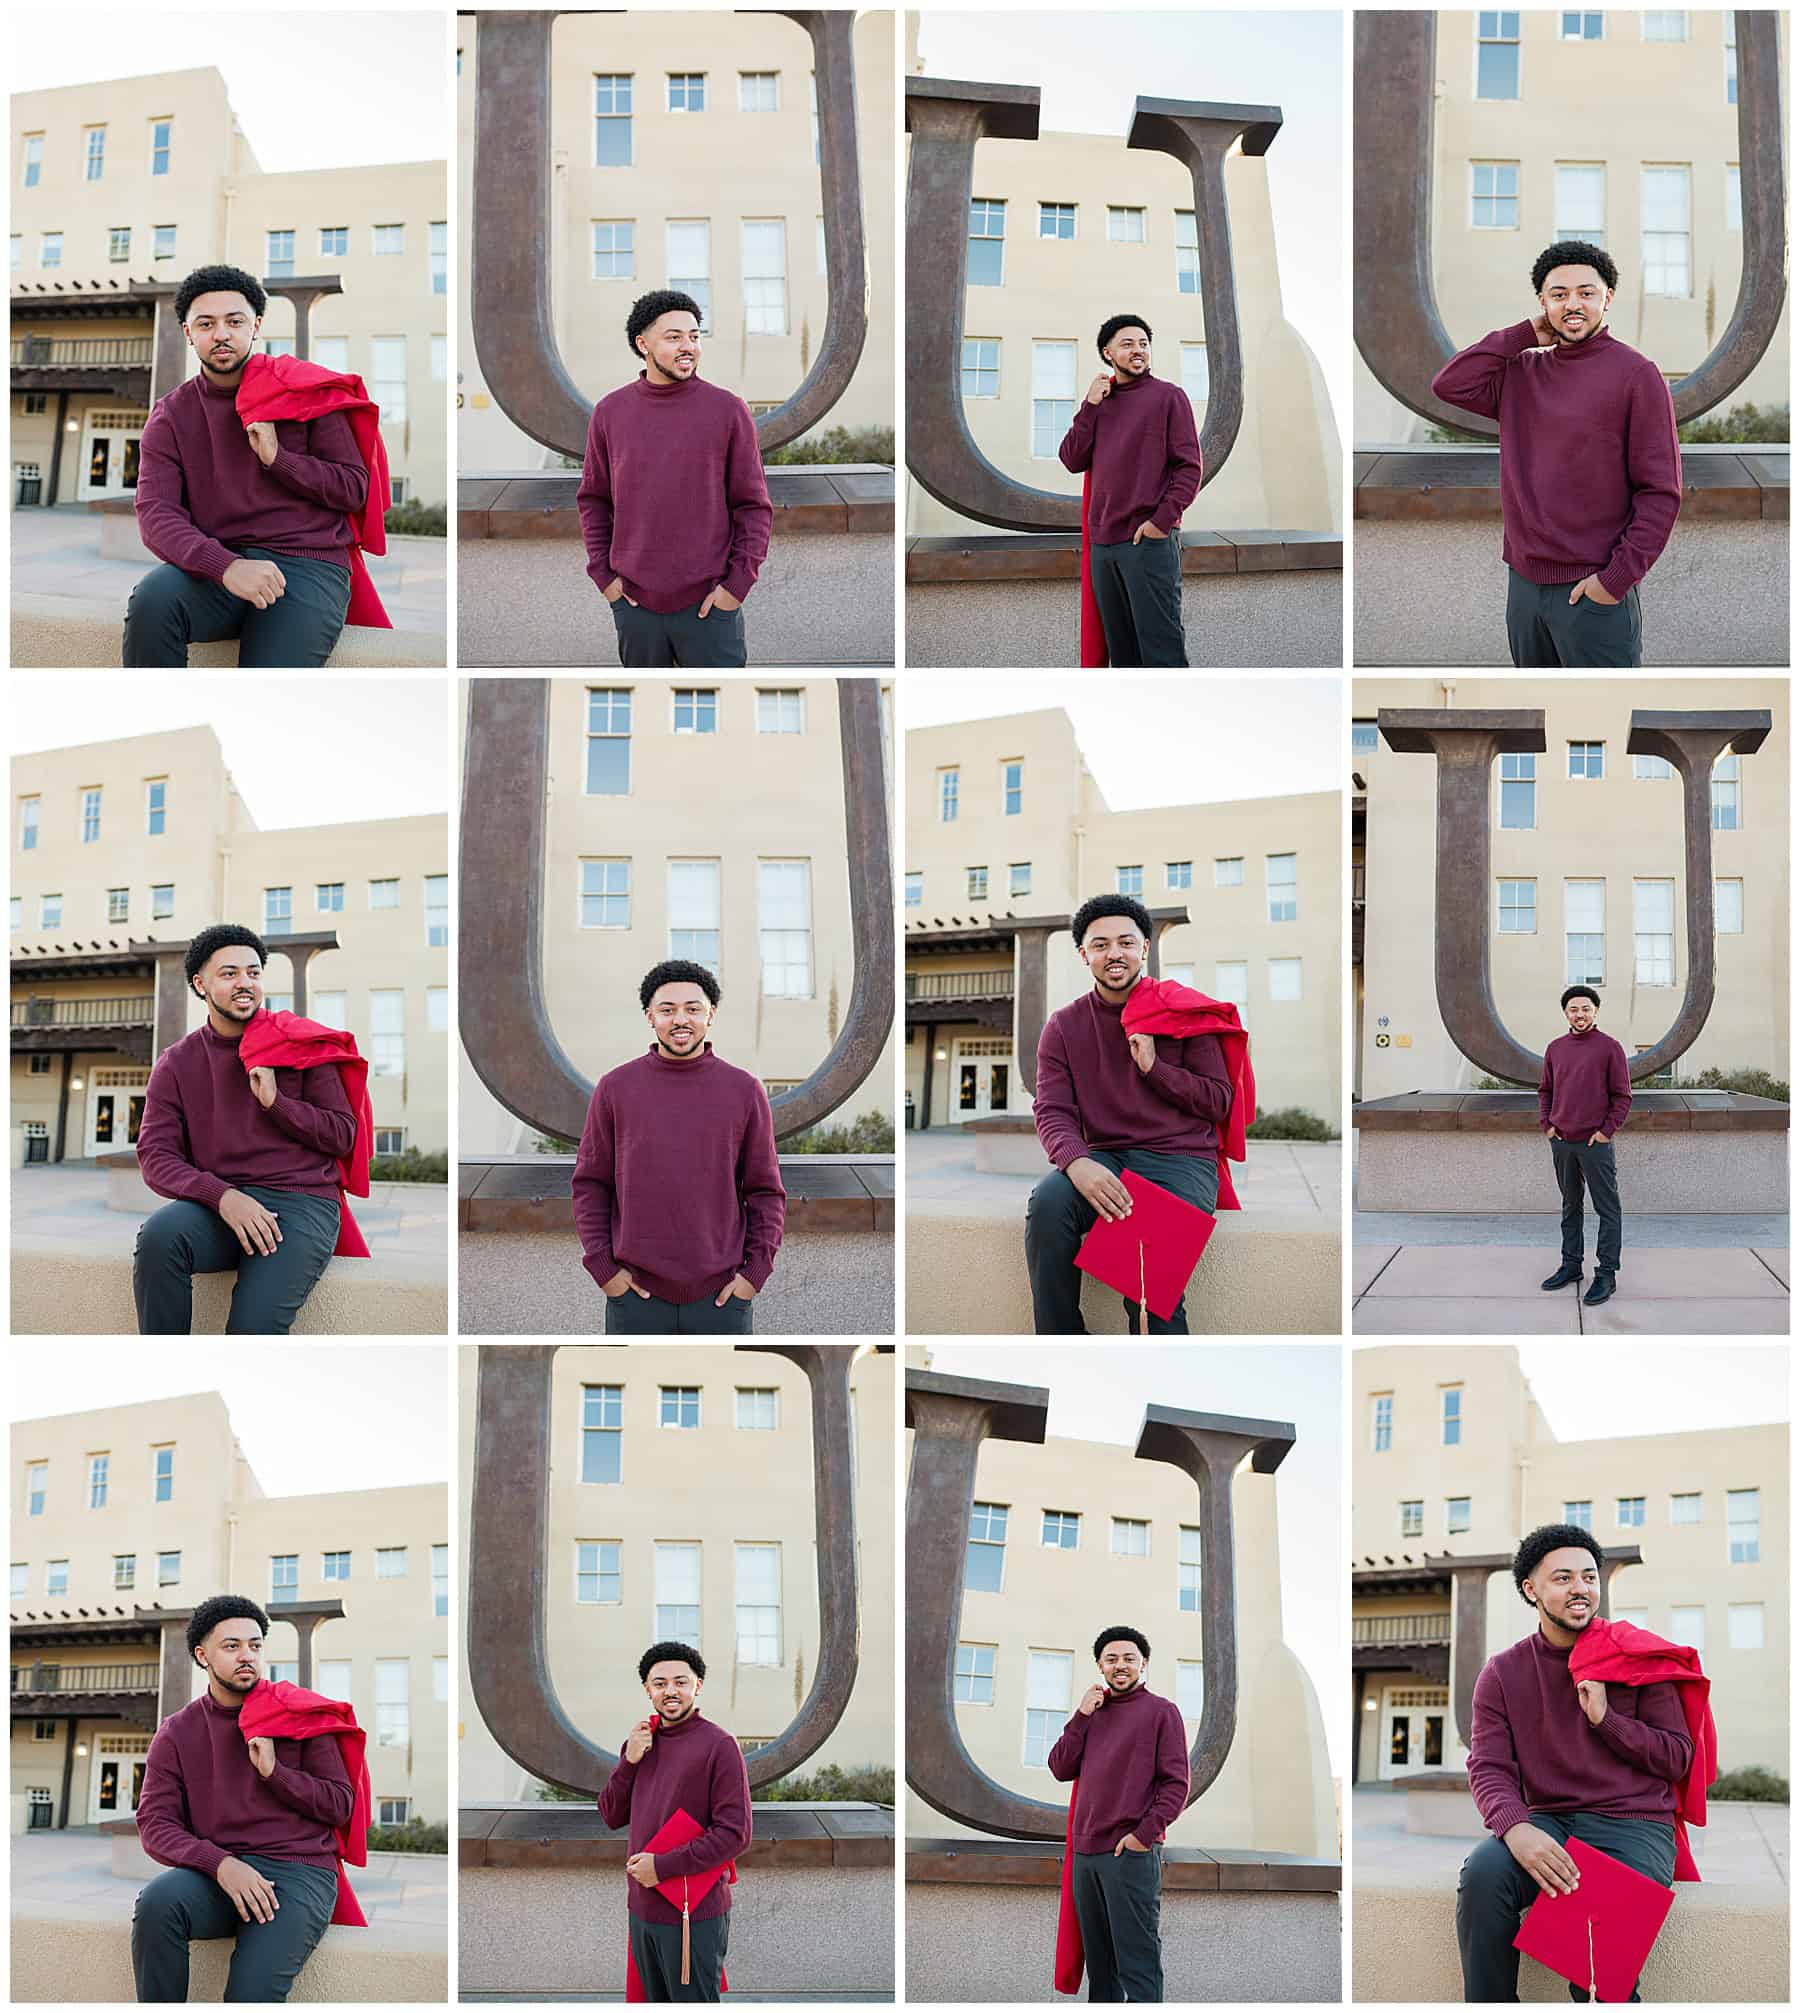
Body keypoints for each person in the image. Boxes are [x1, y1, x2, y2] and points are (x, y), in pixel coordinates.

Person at [1456, 1526, 1692, 2004]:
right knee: (1482, 1878)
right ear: (1531, 1589)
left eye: (1588, 1576)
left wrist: (1608, 1720)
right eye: (1562, 1578)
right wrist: (1515, 1829)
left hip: (1635, 1823)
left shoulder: (1639, 1654)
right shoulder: (1502, 1673)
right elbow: (1489, 1768)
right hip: (1549, 1821)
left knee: (1597, 1967)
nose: (1580, 1588)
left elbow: (1677, 1756)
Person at [1431, 240, 1682, 669]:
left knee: (1603, 715)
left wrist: (1613, 582)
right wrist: (1524, 334)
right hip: (1524, 590)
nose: (1573, 305)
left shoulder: (1638, 375)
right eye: (1559, 294)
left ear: (1608, 298)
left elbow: (1660, 492)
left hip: (1594, 591)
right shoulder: (1521, 373)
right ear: (1542, 302)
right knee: (1540, 711)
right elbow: (1449, 384)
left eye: (1586, 292)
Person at [126, 265, 370, 668]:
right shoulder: (170, 415)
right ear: (189, 333)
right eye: (205, 323)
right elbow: (156, 513)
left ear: (255, 326)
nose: (221, 334)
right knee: (153, 600)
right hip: (220, 566)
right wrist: (226, 566)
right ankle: (164, 723)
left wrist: (280, 460)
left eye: (234, 321)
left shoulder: (304, 390)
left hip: (306, 565)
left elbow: (353, 487)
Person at [1026, 897, 1231, 1333]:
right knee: (1048, 1204)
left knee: (1147, 1292)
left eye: (1125, 942)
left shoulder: (1184, 1011)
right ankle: (1062, 1343)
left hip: (1181, 1160)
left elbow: (1219, 1100)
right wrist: (1076, 1163)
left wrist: (1156, 1070)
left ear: (1145, 948)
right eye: (1100, 945)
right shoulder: (1063, 1027)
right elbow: (1052, 1109)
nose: (1113, 953)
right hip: (1105, 1157)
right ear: (1085, 955)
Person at [132, 1597, 351, 2003]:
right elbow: (155, 1824)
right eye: (231, 1646)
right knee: (158, 1903)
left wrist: (275, 1774)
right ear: (203, 1655)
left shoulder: (299, 1713)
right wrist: (220, 1864)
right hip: (219, 1874)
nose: (246, 1655)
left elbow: (340, 1804)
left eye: (254, 1645)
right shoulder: (176, 1732)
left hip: (297, 1873)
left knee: (248, 1999)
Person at [133, 926, 350, 1335]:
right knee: (160, 1237)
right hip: (220, 1206)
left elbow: (342, 1134)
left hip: (299, 1204)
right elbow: (156, 1156)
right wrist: (222, 1196)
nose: (244, 983)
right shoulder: (176, 1063)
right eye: (229, 973)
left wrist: (277, 1104)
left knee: (251, 1333)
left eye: (253, 972)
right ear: (201, 984)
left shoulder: (301, 1044)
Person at [571, 960, 786, 1332]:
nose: (680, 1019)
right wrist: (605, 1271)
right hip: (633, 1296)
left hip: (723, 1297)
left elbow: (765, 1190)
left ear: (711, 1015)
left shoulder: (744, 1090)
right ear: (650, 1017)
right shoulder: (615, 1088)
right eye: (667, 1010)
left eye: (693, 1009)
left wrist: (754, 1275)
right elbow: (591, 1184)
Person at [576, 289, 773, 668]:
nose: (689, 347)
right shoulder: (610, 413)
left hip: (710, 609)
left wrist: (734, 589)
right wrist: (605, 579)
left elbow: (753, 506)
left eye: (695, 336)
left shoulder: (728, 411)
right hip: (634, 609)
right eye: (674, 337)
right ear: (643, 344)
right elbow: (594, 500)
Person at [598, 1641, 752, 2003]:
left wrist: (662, 1867)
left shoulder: (720, 1745)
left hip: (691, 1912)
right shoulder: (639, 1742)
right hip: (642, 1907)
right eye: (660, 1682)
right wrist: (629, 1761)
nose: (671, 1690)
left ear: (697, 1686)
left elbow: (735, 1834)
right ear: (647, 1690)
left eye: (681, 1682)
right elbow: (610, 1814)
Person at [1047, 1625, 1190, 2003]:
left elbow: (1176, 1785)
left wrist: (1143, 1837)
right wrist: (1079, 1715)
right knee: (1101, 1969)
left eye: (1129, 1658)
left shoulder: (1163, 1712)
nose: (1120, 1665)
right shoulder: (1091, 1714)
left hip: (1129, 1855)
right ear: (1100, 1666)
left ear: (1143, 1664)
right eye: (1111, 1659)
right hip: (1085, 1854)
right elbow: (1060, 1767)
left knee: (1137, 1964)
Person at [1057, 313, 1202, 668]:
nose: (1138, 351)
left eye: (1144, 344)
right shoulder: (1100, 404)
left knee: (1161, 653)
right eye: (1127, 344)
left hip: (1146, 543)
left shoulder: (1170, 397)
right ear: (1107, 353)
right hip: (1103, 546)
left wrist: (1159, 524)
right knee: (1122, 656)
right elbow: (1071, 458)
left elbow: (1190, 468)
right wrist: (1088, 406)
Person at [1538, 985, 1632, 1307]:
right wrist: (1548, 1126)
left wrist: (1606, 1132)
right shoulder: (1555, 1048)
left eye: (1586, 1009)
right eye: (1574, 1009)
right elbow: (1545, 1091)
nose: (1580, 1014)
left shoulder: (1610, 1048)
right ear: (1566, 1013)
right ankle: (1571, 1265)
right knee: (1570, 1207)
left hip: (1595, 1143)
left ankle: (1606, 1273)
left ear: (1595, 1012)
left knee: (1607, 1209)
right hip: (1562, 1142)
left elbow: (1622, 1097)